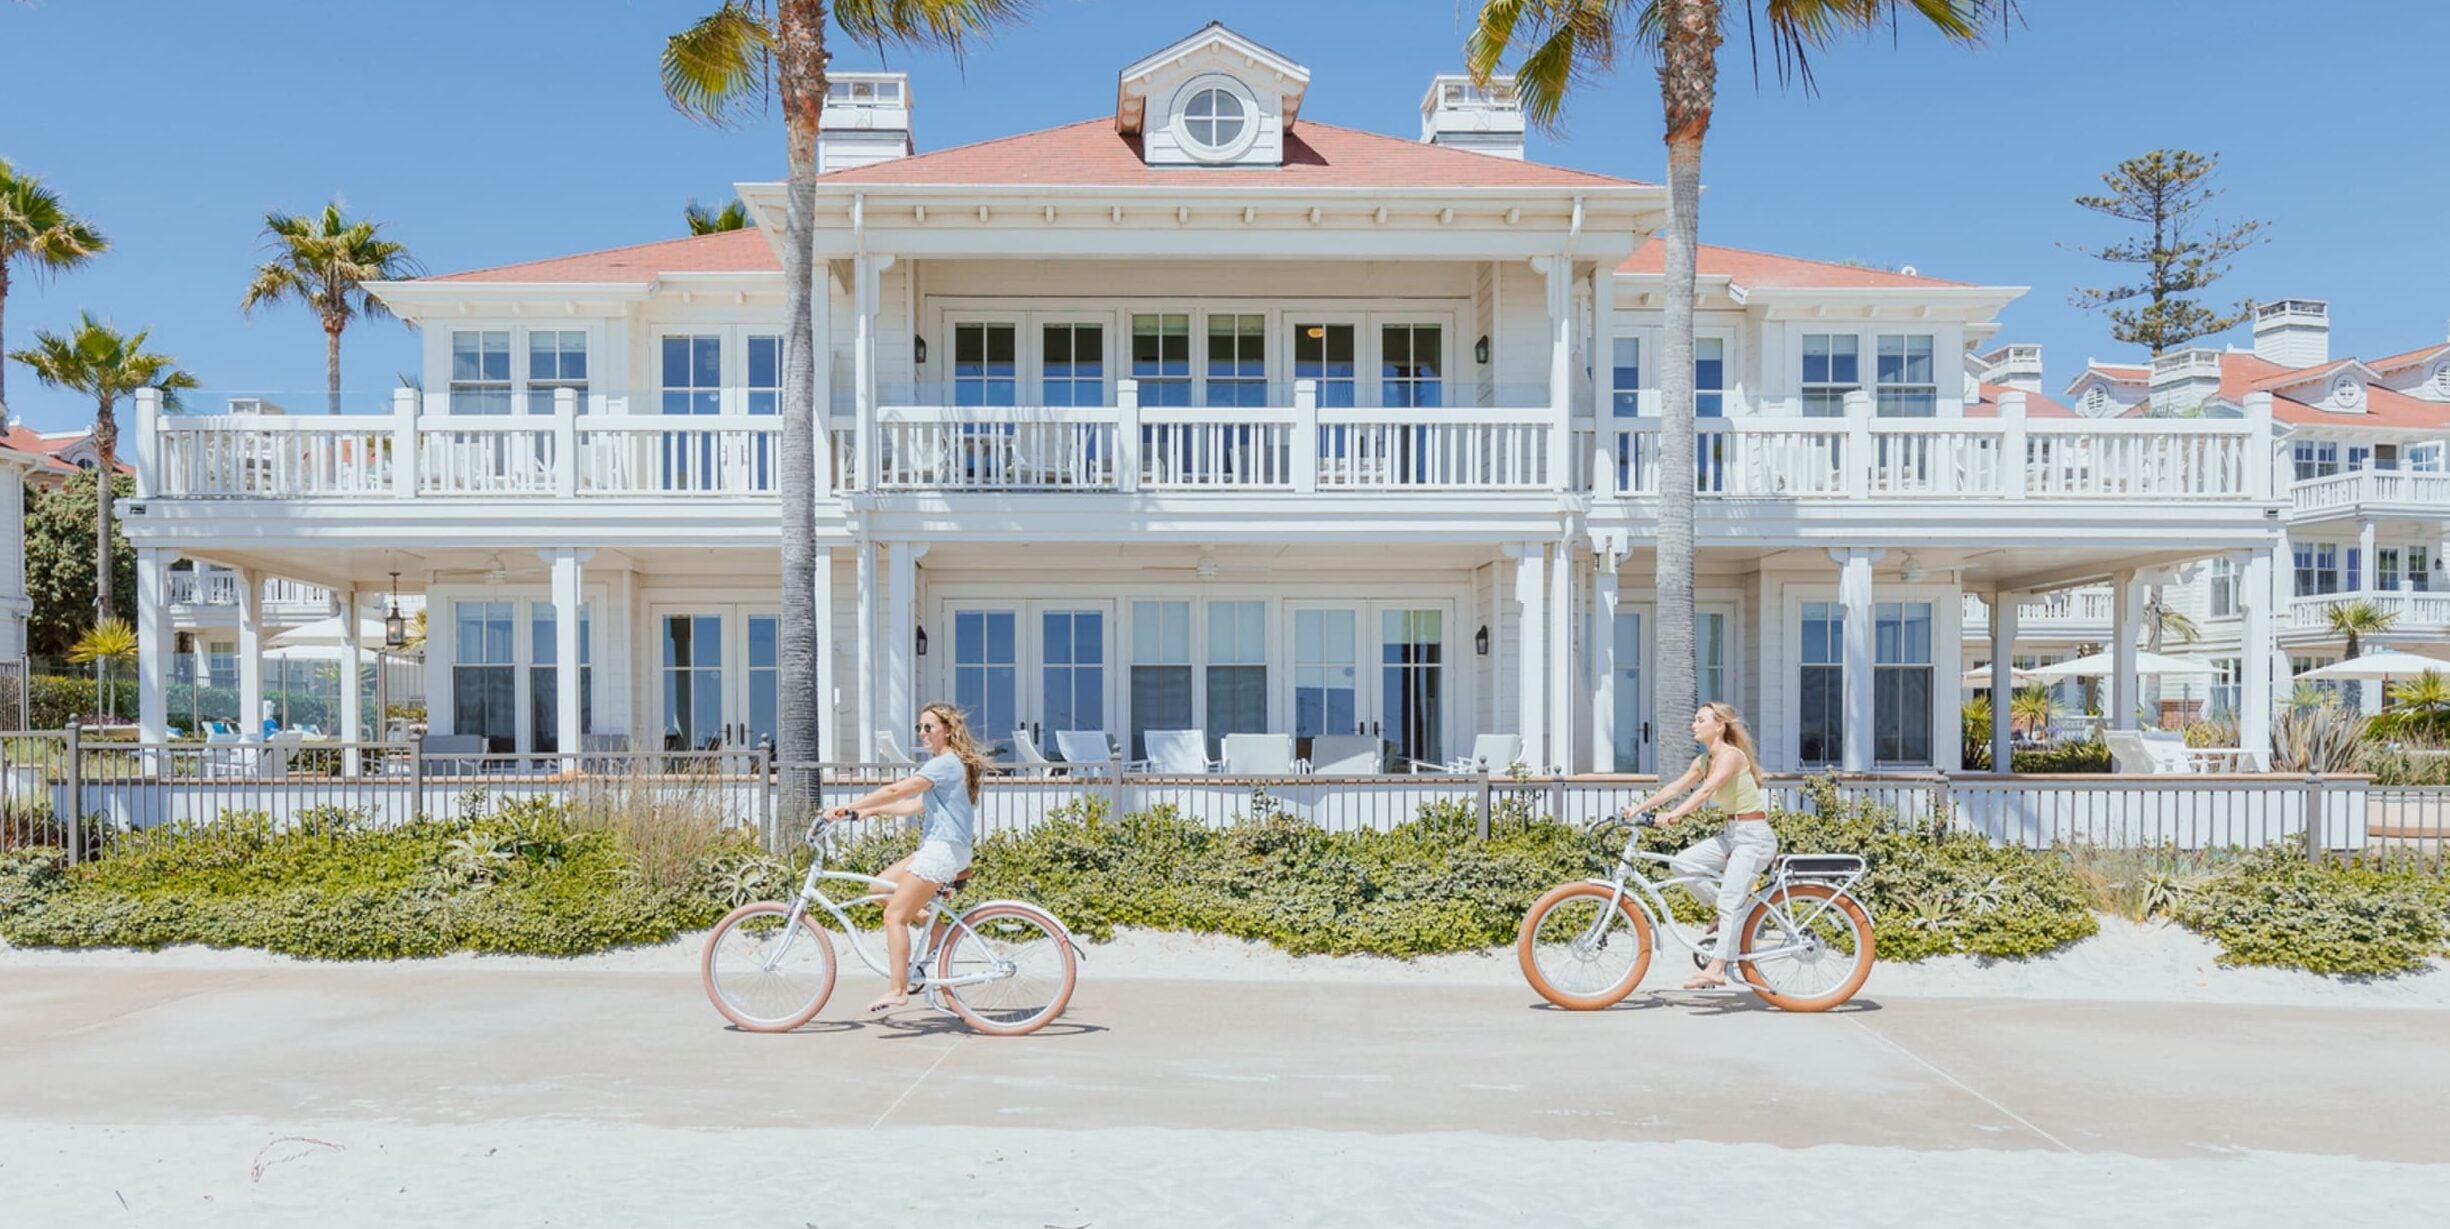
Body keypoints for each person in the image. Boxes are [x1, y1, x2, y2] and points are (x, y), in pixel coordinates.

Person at [827, 702, 989, 1014]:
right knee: (879, 889)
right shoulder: (947, 764)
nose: (922, 733)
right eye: (919, 727)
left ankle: (898, 989)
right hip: (940, 847)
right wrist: (869, 811)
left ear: (947, 730)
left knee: (895, 916)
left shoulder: (945, 763)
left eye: (928, 727)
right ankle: (937, 929)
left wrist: (848, 806)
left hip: (941, 850)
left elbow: (896, 790)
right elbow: (915, 805)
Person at [1619, 702, 1772, 991]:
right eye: (1694, 720)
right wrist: (1640, 808)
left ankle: (1717, 969)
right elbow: (1674, 788)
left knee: (1730, 903)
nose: (1693, 725)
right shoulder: (1704, 761)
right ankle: (1728, 913)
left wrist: (1676, 814)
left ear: (1719, 726)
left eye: (1700, 720)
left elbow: (1706, 791)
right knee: (1682, 864)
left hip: (1754, 836)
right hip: (1732, 834)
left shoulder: (1730, 756)